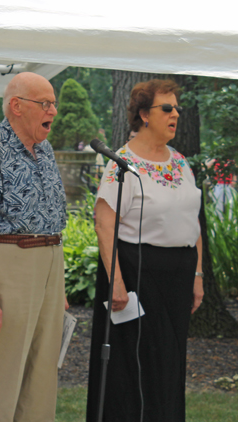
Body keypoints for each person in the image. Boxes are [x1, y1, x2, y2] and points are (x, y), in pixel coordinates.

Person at [86, 79, 204, 422]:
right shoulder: (122, 163)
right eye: (166, 108)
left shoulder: (181, 162)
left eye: (177, 108)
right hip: (138, 272)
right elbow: (104, 224)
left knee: (170, 362)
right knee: (136, 366)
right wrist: (116, 281)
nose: (175, 114)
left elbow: (192, 220)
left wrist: (197, 275)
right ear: (143, 114)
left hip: (179, 274)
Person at [0, 72, 68, 422]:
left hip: (51, 262)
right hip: (10, 261)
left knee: (42, 376)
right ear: (17, 106)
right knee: (1, 375)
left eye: (54, 103)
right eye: (45, 103)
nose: (53, 110)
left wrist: (57, 284)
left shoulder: (45, 149)